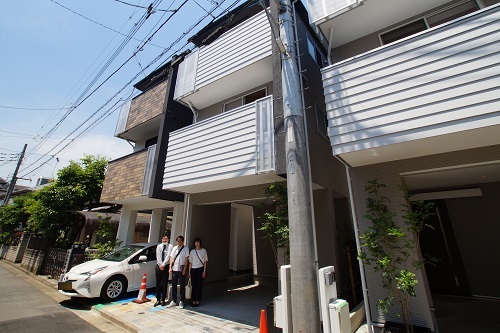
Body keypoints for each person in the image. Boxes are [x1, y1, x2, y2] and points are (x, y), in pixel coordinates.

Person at [167, 235, 189, 308]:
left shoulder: (186, 248)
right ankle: (173, 300)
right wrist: (170, 267)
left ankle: (181, 301)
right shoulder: (174, 248)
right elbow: (171, 258)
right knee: (174, 285)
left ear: (183, 241)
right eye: (178, 241)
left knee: (182, 285)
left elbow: (186, 259)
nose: (179, 242)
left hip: (181, 267)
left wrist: (185, 269)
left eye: (180, 241)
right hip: (174, 268)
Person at [188, 237, 208, 308]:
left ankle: (198, 300)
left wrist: (204, 271)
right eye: (196, 242)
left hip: (200, 269)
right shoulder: (192, 252)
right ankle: (193, 300)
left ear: (200, 243)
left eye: (198, 242)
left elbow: (205, 262)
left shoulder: (203, 251)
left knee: (199, 285)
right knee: (194, 286)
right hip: (193, 269)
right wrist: (189, 272)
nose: (197, 243)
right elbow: (190, 262)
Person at [154, 235, 172, 307]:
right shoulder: (159, 246)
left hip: (166, 266)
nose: (165, 240)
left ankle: (163, 299)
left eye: (166, 239)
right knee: (158, 282)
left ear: (168, 239)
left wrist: (163, 265)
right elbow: (158, 256)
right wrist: (160, 264)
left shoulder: (170, 246)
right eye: (163, 238)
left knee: (165, 283)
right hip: (158, 266)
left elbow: (168, 256)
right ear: (162, 239)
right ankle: (158, 299)